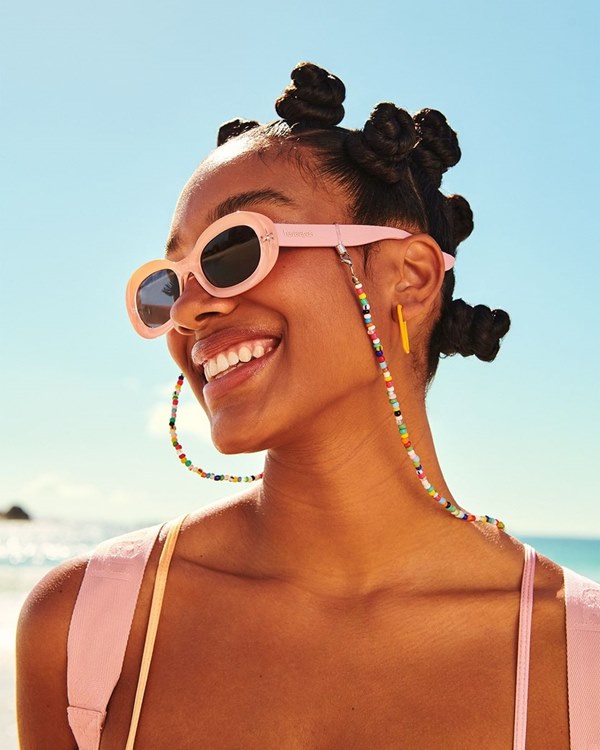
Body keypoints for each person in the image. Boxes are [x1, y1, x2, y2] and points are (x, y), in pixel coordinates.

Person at [16, 62, 599, 750]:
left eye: (235, 249)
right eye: (169, 285)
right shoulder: (86, 627)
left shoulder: (577, 656)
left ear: (408, 277)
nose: (192, 311)